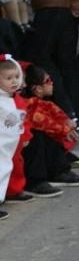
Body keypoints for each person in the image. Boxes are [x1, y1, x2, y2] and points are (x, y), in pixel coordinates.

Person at [0, 57, 27, 219]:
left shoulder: (13, 99)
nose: (14, 82)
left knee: (4, 170)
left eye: (16, 77)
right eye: (8, 78)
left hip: (8, 147)